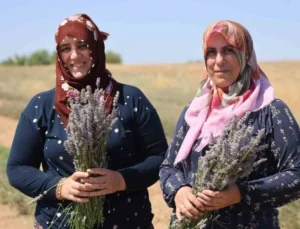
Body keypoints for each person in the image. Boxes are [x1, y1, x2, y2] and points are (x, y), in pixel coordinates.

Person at [6, 13, 168, 229]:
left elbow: (160, 158)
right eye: (65, 48)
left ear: (96, 48)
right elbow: (17, 168)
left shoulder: (131, 99)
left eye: (83, 46)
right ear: (58, 55)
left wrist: (121, 180)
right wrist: (59, 187)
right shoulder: (42, 105)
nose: (74, 56)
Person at [159, 20, 300, 228]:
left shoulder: (271, 111)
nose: (219, 61)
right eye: (211, 53)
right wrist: (179, 191)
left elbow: (296, 173)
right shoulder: (196, 111)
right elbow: (169, 167)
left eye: (229, 51)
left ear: (245, 55)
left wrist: (241, 193)